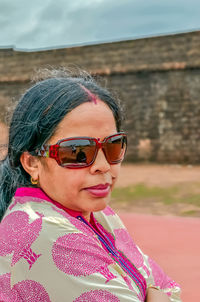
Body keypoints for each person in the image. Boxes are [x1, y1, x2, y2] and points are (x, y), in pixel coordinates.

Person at [0, 69, 181, 302]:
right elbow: (159, 286)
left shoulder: (96, 212)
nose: (103, 166)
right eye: (77, 152)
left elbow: (168, 286)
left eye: (113, 146)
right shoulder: (44, 234)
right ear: (32, 162)